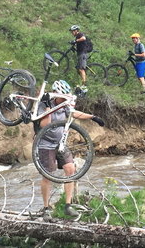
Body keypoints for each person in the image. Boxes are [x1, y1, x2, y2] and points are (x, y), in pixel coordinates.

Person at [36, 79, 105, 217]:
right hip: (45, 144)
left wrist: (93, 117)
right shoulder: (43, 103)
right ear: (56, 94)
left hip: (60, 144)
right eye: (62, 96)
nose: (64, 99)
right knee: (47, 176)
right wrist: (49, 108)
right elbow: (45, 124)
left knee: (71, 169)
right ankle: (46, 208)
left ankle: (68, 205)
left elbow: (74, 113)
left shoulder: (64, 105)